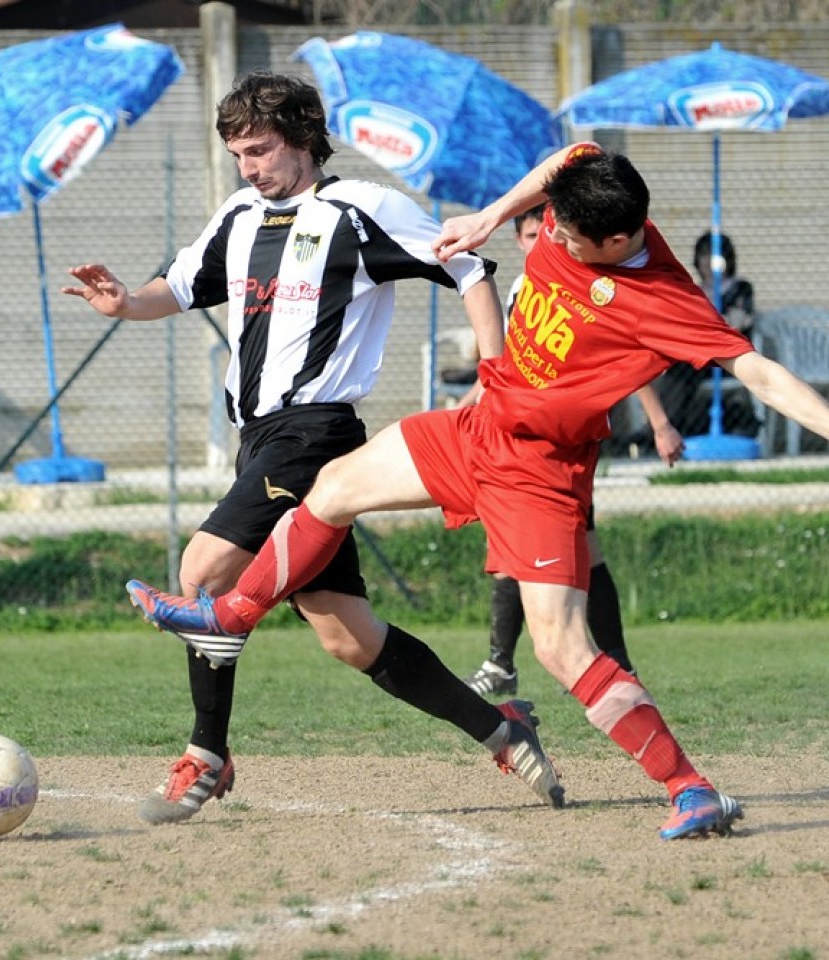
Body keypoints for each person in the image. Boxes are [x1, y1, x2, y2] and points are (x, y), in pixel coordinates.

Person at [125, 142, 829, 840]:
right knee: (333, 488)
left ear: (622, 239)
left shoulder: (664, 299)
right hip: (480, 428)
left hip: (541, 472)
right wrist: (490, 216)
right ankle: (230, 619)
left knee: (560, 648)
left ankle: (691, 788)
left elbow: (757, 369)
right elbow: (569, 156)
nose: (558, 245)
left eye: (572, 240)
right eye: (554, 227)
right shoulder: (581, 191)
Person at [62, 71, 564, 824]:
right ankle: (500, 727)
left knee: (201, 572)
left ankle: (206, 756)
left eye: (260, 149)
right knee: (346, 635)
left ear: (302, 136)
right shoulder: (238, 214)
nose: (249, 167)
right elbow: (181, 282)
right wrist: (126, 302)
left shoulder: (360, 210)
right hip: (259, 439)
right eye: (237, 153)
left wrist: (494, 382)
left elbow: (467, 266)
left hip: (317, 433)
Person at [463, 205, 682, 697]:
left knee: (574, 553)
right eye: (530, 233)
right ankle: (514, 662)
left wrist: (660, 422)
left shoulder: (585, 286)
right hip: (516, 439)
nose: (541, 239)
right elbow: (500, 368)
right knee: (526, 554)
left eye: (543, 230)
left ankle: (587, 662)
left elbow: (627, 363)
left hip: (560, 447)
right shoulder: (526, 287)